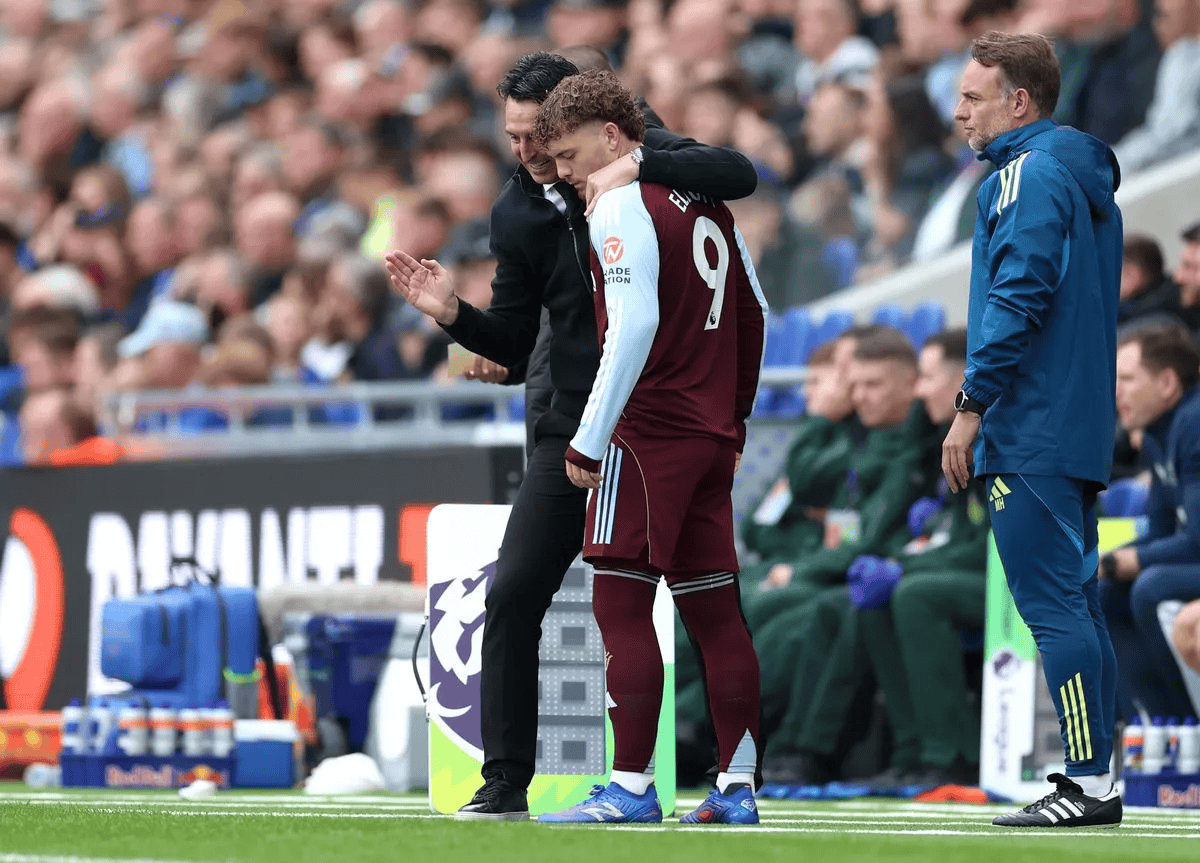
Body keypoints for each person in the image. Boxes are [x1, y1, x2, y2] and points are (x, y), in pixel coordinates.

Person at [385, 51, 758, 820]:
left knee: (625, 601)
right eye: (518, 139)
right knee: (521, 591)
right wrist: (454, 316)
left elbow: (734, 179)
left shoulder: (639, 176)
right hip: (607, 424)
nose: (533, 155)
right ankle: (510, 780)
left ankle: (633, 786)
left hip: (630, 426)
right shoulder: (519, 210)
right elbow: (516, 339)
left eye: (547, 139)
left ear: (591, 122)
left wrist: (631, 164)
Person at [530, 67, 767, 825]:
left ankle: (630, 786)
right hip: (709, 435)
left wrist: (589, 438)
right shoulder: (708, 204)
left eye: (569, 156)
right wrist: (735, 420)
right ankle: (737, 788)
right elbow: (755, 312)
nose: (564, 173)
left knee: (621, 603)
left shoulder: (620, 202)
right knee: (717, 613)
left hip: (646, 433)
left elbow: (631, 327)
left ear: (611, 137)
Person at [943, 31, 1124, 827]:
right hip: (1072, 426)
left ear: (1019, 102)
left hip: (1030, 426)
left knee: (1054, 608)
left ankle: (1087, 783)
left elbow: (1019, 294)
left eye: (972, 97)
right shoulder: (1073, 171)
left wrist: (971, 404)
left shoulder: (1024, 174)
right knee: (1077, 605)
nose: (959, 113)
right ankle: (1098, 777)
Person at [857, 328, 989, 788]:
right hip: (973, 570)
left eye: (928, 378)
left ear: (961, 381)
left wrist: (903, 568)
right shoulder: (939, 437)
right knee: (872, 601)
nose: (918, 391)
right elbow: (952, 532)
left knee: (916, 594)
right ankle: (910, 754)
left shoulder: (992, 437)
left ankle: (952, 756)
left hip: (1015, 582)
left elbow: (989, 547)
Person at [1101, 321, 1200, 721]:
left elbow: (1196, 539)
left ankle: (1187, 728)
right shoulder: (1159, 435)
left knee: (1151, 587)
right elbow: (1162, 531)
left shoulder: (1193, 422)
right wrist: (1108, 562)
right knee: (1106, 591)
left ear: (1167, 383)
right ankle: (1154, 725)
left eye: (1127, 379)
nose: (1116, 391)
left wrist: (1128, 560)